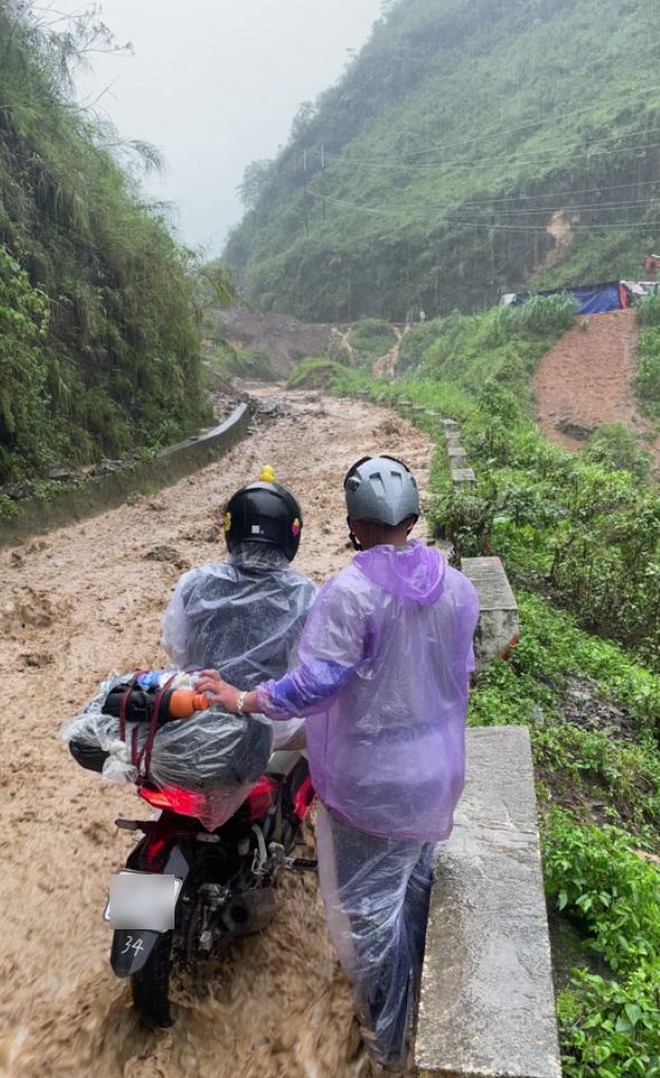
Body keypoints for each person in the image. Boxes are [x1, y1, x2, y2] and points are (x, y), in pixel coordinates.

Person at [196, 454, 480, 1070]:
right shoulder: (459, 588)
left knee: (368, 921)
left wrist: (245, 699)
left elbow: (314, 686)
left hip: (370, 786)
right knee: (410, 891)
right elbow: (460, 675)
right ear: (413, 513)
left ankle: (388, 1043)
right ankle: (413, 1008)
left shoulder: (350, 592)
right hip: (436, 775)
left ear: (353, 522)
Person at [162, 467, 317, 751]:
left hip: (202, 711)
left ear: (230, 528)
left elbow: (176, 649)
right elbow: (305, 672)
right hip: (273, 726)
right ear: (291, 534)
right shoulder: (306, 595)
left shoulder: (193, 583)